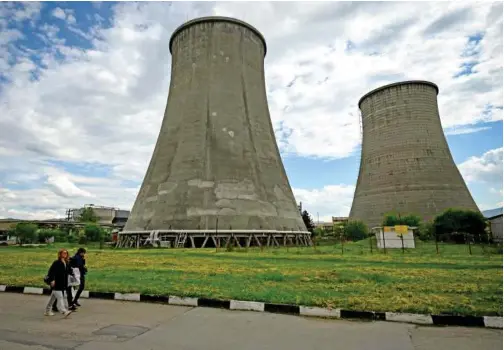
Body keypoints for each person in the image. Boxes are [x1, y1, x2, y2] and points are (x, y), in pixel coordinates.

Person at [45, 249, 72, 317]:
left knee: (52, 299)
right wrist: (52, 280)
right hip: (56, 282)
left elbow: (67, 272)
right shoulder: (56, 262)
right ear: (60, 254)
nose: (65, 254)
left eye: (66, 253)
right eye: (63, 253)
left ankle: (47, 311)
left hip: (62, 283)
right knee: (60, 297)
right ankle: (64, 311)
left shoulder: (66, 262)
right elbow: (51, 272)